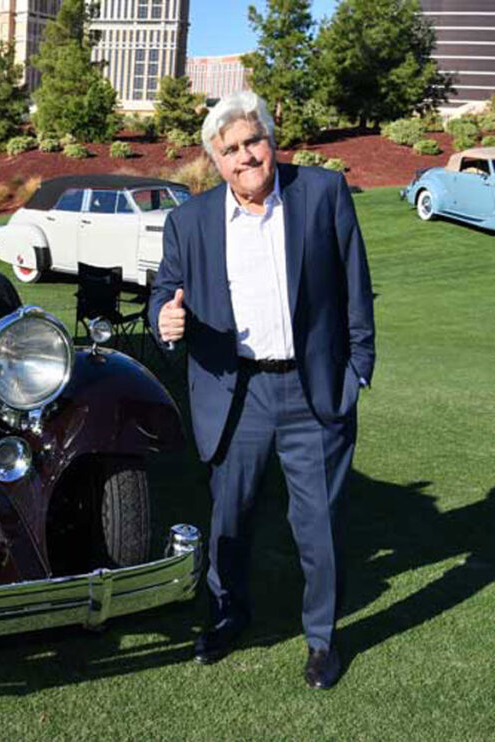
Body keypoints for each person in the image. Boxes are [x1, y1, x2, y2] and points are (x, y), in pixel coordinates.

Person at [149, 91, 375, 689]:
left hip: (311, 389)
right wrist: (162, 320)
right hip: (235, 391)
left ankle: (323, 640)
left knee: (318, 523)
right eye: (231, 150)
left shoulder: (321, 193)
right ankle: (229, 615)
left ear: (271, 140)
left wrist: (359, 370)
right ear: (215, 162)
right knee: (229, 518)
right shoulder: (188, 221)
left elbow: (355, 280)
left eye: (253, 140)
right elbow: (163, 291)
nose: (246, 156)